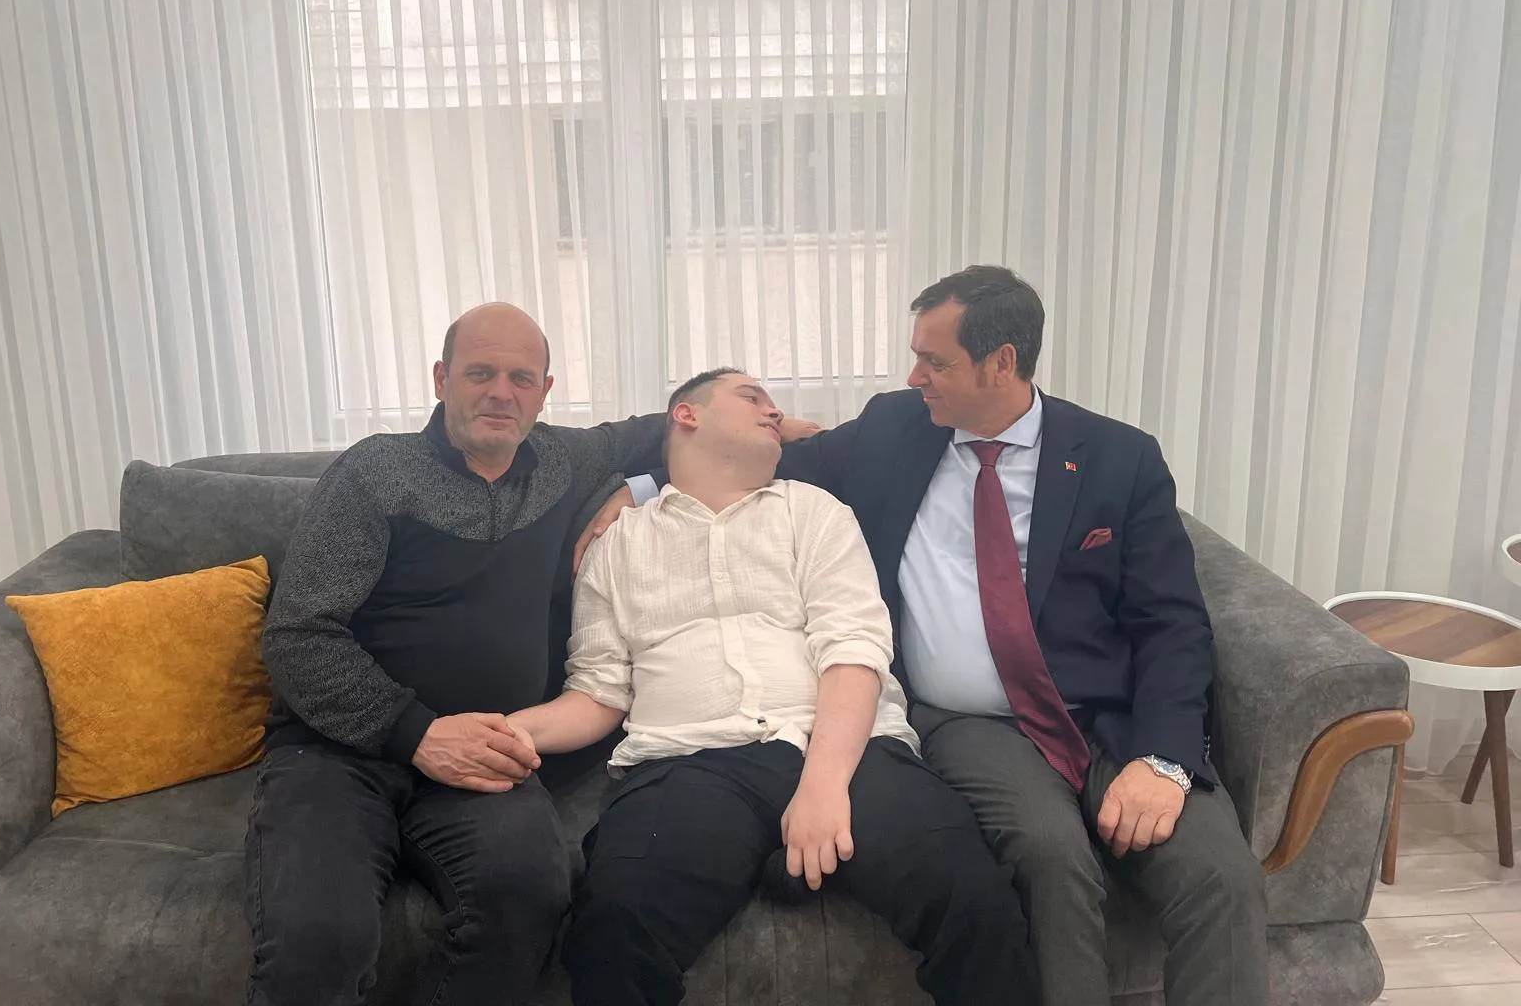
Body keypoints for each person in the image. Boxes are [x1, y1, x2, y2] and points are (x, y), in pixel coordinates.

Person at [585, 268, 1269, 1006]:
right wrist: (638, 487)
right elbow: (746, 458)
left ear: (1001, 362)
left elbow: (1172, 620)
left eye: (934, 362)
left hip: (1112, 714)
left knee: (1221, 877)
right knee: (1048, 856)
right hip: (972, 724)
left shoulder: (1118, 456)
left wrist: (1164, 758)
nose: (915, 377)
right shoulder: (895, 428)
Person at [246, 304, 823, 1006]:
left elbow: (661, 428)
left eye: (521, 379)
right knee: (319, 938)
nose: (501, 393)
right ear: (441, 379)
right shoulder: (376, 472)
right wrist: (418, 734)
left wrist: (774, 427)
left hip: (495, 750)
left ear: (545, 392)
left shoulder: (560, 460)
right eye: (480, 374)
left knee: (530, 904)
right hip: (338, 756)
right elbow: (298, 634)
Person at [517, 369, 1039, 1006]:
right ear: (686, 415)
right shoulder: (617, 543)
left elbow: (854, 650)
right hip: (689, 762)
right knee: (611, 930)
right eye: (751, 398)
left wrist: (822, 787)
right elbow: (598, 692)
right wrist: (506, 731)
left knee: (977, 904)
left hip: (849, 751)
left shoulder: (814, 511)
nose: (774, 412)